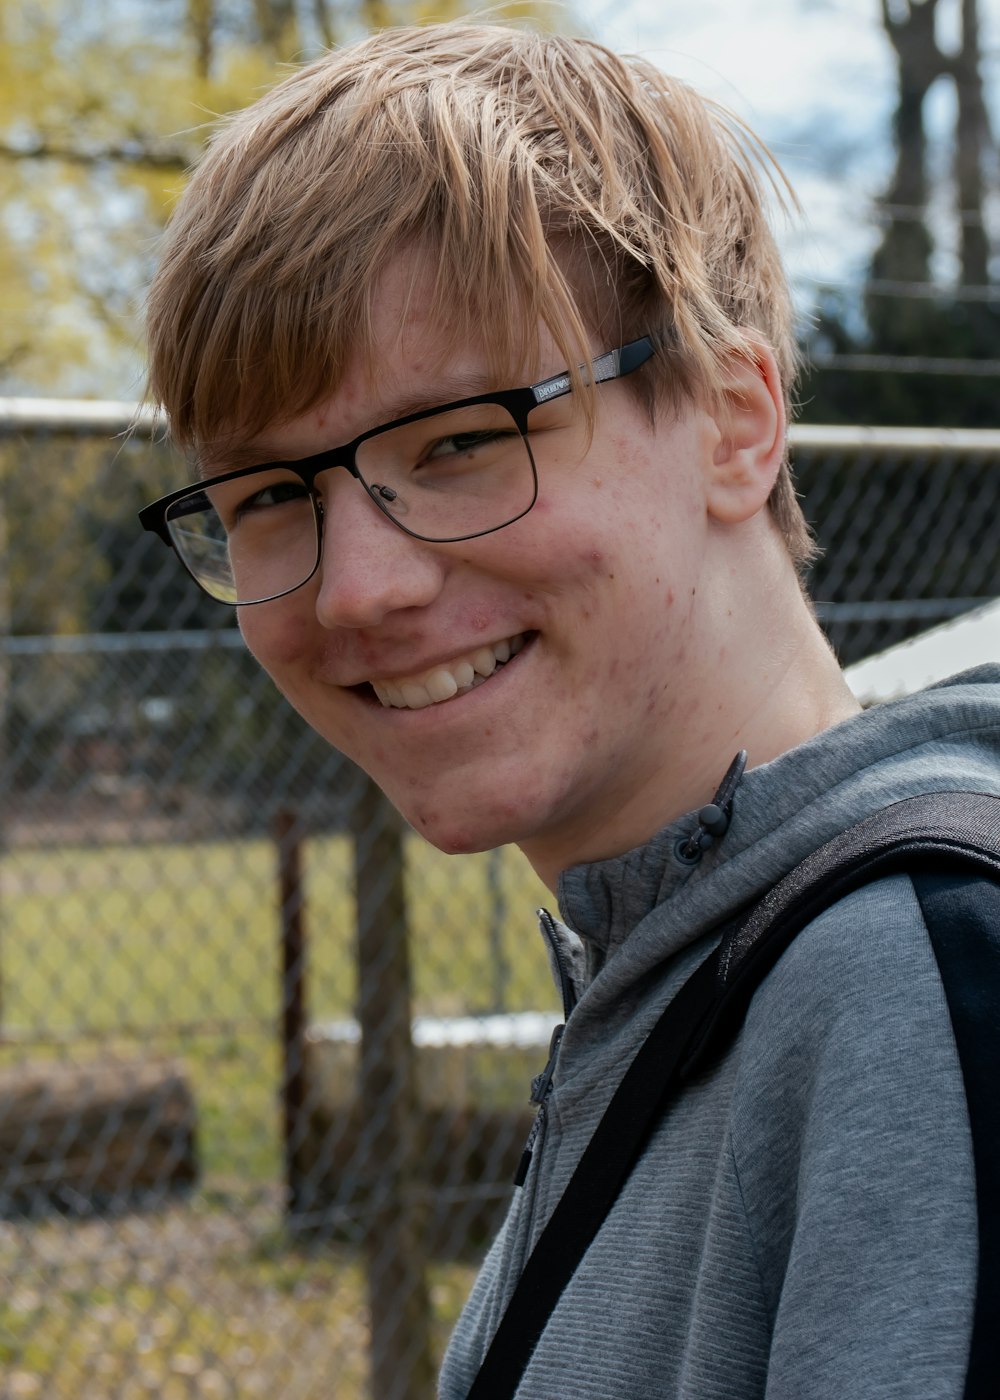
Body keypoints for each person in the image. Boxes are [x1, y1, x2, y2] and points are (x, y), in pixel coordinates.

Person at [139, 21, 999, 1398]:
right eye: (267, 497)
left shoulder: (917, 978)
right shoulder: (676, 968)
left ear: (734, 423)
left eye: (464, 441)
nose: (357, 590)